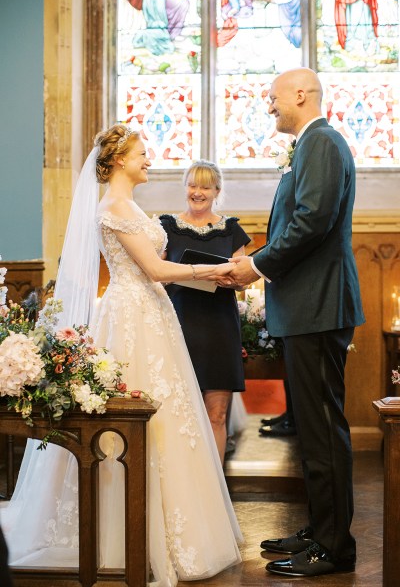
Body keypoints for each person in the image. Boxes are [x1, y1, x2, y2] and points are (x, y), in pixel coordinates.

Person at [1, 124, 242, 586]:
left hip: (154, 315)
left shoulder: (132, 205)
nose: (148, 160)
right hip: (131, 320)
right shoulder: (112, 208)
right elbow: (152, 268)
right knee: (135, 419)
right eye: (141, 154)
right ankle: (121, 532)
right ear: (118, 162)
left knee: (174, 421)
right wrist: (214, 272)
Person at [224, 68, 365, 577]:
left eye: (273, 97)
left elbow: (311, 222)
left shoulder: (321, 143)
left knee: (323, 428)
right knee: (310, 426)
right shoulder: (311, 144)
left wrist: (256, 265)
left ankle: (334, 545)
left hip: (318, 304)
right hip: (307, 303)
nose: (270, 106)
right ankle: (321, 527)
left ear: (301, 95)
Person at [160, 160, 251, 464]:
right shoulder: (165, 227)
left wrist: (230, 280)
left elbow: (243, 282)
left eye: (205, 186)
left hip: (219, 327)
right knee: (178, 414)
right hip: (179, 324)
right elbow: (154, 274)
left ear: (216, 191)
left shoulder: (231, 230)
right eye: (192, 184)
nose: (197, 192)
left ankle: (215, 492)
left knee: (217, 414)